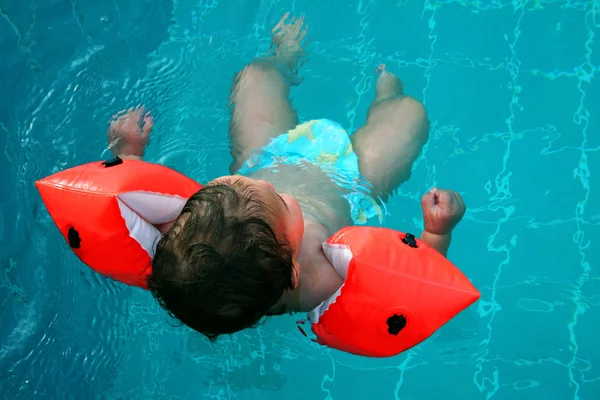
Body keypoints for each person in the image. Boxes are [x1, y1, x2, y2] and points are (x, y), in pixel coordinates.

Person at [106, 13, 466, 339]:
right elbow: (413, 282)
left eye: (236, 187)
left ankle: (284, 58)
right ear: (294, 269)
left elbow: (134, 206)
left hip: (267, 153)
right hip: (350, 178)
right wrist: (437, 231)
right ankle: (388, 94)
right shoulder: (320, 277)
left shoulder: (192, 236)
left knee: (255, 76)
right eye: (276, 200)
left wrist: (128, 154)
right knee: (410, 115)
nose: (265, 185)